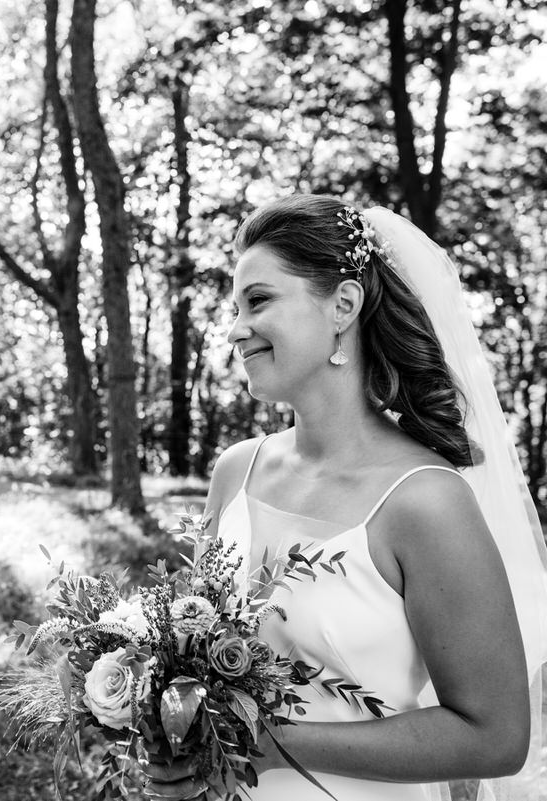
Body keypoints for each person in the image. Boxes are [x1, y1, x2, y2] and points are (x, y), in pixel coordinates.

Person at [148, 195, 547, 801]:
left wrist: (272, 746)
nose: (234, 330)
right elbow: (193, 661)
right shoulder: (235, 471)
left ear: (342, 306)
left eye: (258, 300)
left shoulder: (425, 502)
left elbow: (495, 736)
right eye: (235, 308)